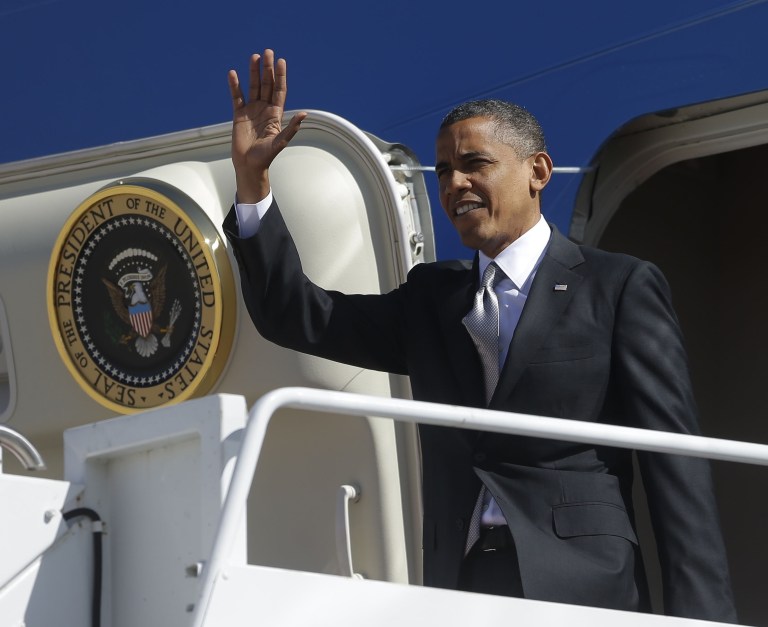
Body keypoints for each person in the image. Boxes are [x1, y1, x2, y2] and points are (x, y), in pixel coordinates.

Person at [222, 49, 737, 622]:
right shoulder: (431, 298)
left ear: (538, 172)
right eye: (443, 170)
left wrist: (703, 615)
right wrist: (253, 183)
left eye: (475, 164)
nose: (455, 183)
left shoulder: (617, 287)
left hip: (580, 584)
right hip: (460, 585)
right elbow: (298, 316)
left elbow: (676, 463)